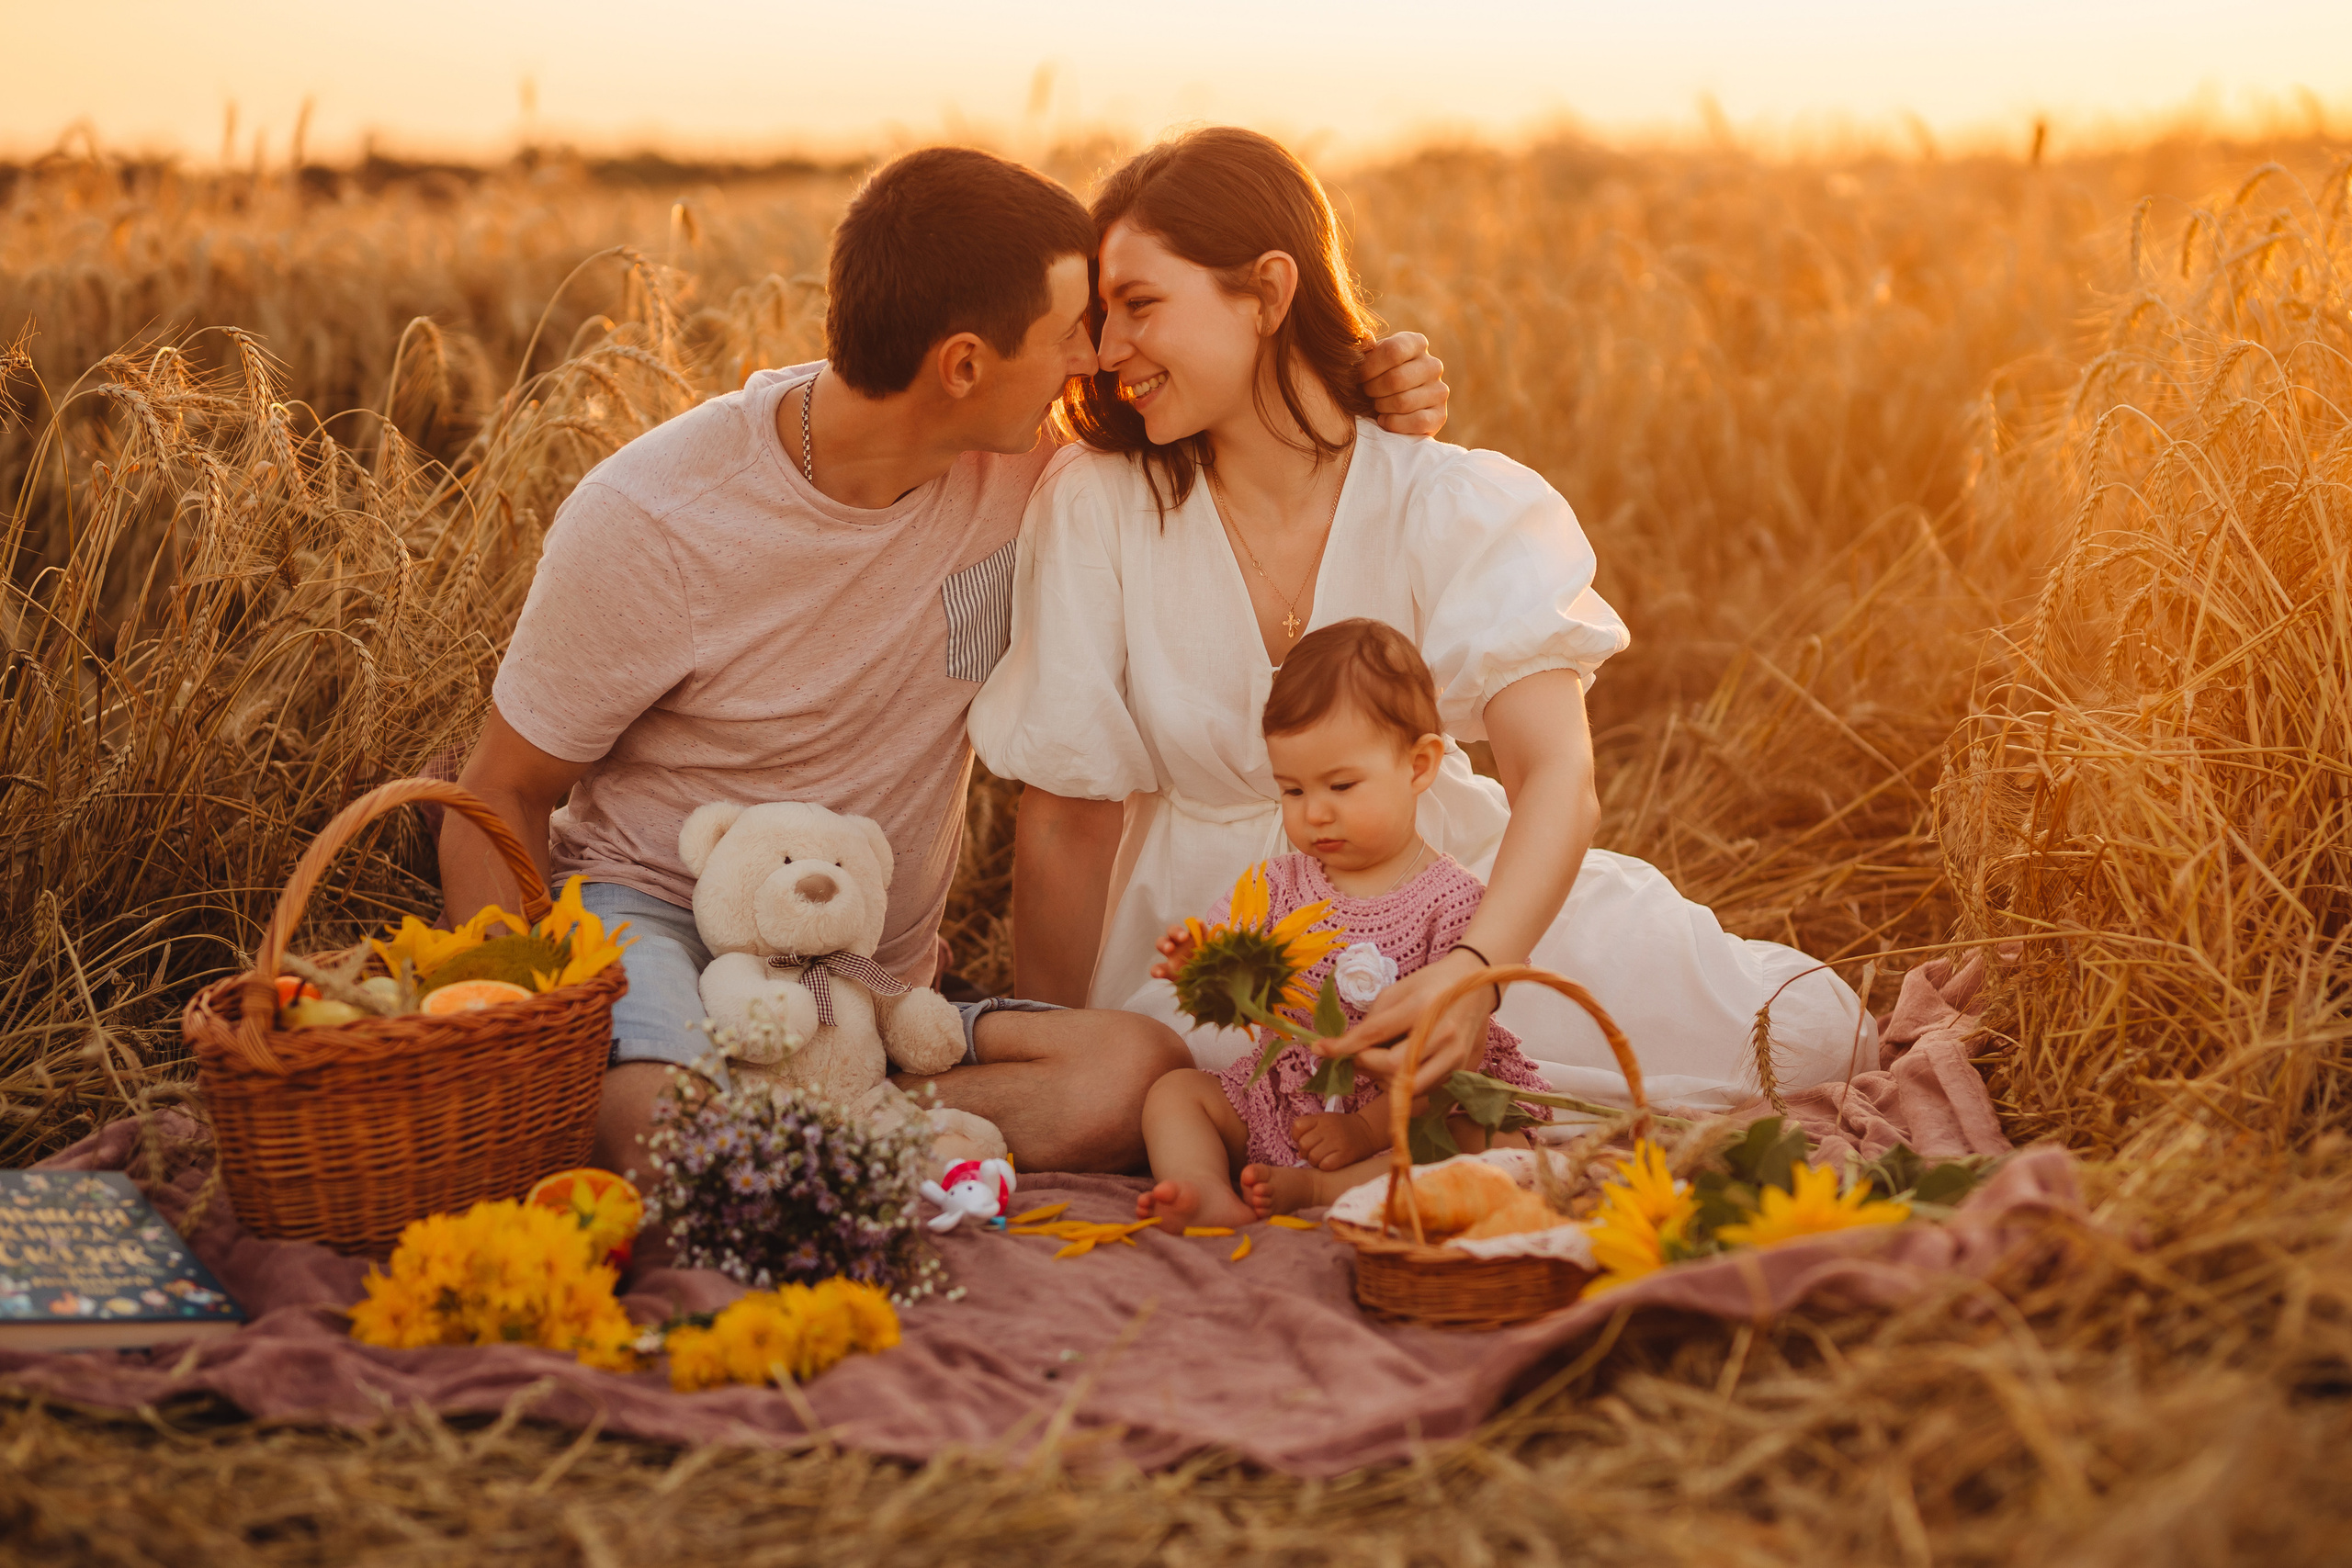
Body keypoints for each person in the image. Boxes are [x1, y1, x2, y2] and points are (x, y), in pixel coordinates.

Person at [435, 145, 1453, 1190]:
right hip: (657, 914)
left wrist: (1364, 396)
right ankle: (724, 1130)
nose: (1098, 357)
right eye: (1071, 330)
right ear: (964, 366)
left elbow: (1235, 420)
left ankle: (770, 1140)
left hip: (869, 977)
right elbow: (499, 792)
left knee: (1130, 1068)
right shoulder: (652, 520)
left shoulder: (1037, 471)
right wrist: (510, 1038)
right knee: (657, 1123)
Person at [971, 127, 1873, 1124]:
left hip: (1441, 894)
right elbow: (1064, 817)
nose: (1106, 350)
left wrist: (1476, 970)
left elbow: (1554, 778)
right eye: (1100, 317)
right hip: (1207, 941)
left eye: (1140, 306)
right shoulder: (1097, 502)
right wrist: (1053, 1036)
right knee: (1200, 1090)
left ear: (1267, 294)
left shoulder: (1452, 501)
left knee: (1804, 1035)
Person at [1134, 619, 1555, 1231]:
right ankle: (1200, 1187)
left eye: (1341, 784)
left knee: (1491, 1142)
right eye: (1293, 789)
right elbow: (1232, 944)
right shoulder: (1280, 883)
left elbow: (1450, 1057)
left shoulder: (1453, 902)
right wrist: (1198, 959)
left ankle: (1320, 1189)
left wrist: (1364, 1127)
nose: (1315, 811)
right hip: (1288, 1098)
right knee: (1174, 1094)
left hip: (1406, 1115)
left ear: (1418, 766)